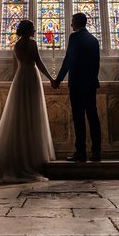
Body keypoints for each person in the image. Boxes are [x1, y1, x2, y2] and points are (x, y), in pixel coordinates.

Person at [0, 19, 56, 182]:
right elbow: (39, 63)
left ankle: (17, 152)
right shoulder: (33, 44)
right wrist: (51, 78)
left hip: (20, 79)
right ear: (29, 30)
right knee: (32, 113)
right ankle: (30, 155)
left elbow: (15, 67)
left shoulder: (16, 45)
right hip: (31, 78)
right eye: (33, 28)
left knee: (18, 114)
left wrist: (16, 82)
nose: (35, 30)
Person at [51, 12, 101, 163]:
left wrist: (58, 79)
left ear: (78, 23)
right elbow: (97, 63)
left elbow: (69, 60)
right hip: (90, 83)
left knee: (79, 118)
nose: (71, 25)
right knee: (93, 117)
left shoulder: (74, 37)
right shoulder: (94, 40)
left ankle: (81, 153)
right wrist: (93, 79)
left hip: (78, 84)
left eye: (72, 21)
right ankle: (96, 153)